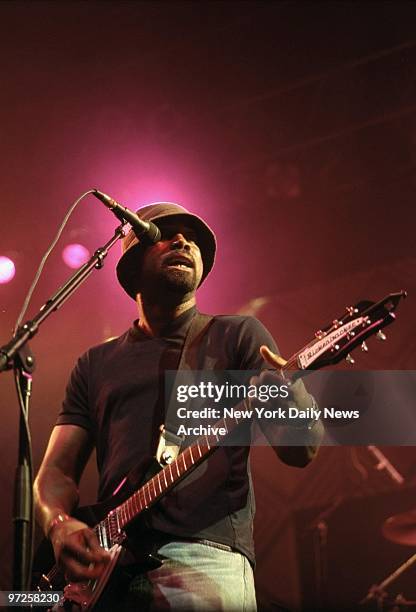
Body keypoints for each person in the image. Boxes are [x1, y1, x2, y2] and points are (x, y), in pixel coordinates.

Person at [34, 202, 323, 611]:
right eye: (166, 234)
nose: (183, 241)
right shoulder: (95, 363)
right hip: (105, 570)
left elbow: (301, 450)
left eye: (192, 239)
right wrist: (59, 525)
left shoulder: (238, 335)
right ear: (132, 261)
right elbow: (56, 471)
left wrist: (288, 392)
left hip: (204, 557)